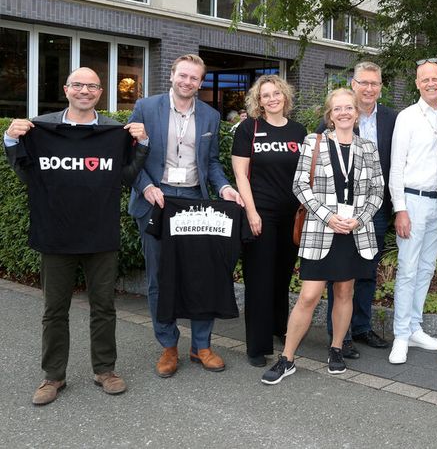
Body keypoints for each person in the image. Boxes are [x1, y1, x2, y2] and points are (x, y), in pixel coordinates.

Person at [3, 67, 149, 405]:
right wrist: (11, 138)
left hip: (100, 233)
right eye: (78, 85)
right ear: (66, 89)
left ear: (100, 93)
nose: (85, 91)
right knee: (54, 309)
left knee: (104, 306)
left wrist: (143, 143)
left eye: (92, 86)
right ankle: (53, 376)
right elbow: (26, 174)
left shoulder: (113, 131)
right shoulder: (42, 128)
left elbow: (126, 176)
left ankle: (105, 370)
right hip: (55, 234)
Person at [128, 54, 243, 378]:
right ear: (172, 75)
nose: (187, 82)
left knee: (202, 276)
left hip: (194, 200)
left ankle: (201, 346)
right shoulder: (146, 108)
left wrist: (224, 189)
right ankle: (168, 345)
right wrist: (146, 186)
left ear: (200, 82)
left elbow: (212, 164)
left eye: (194, 78)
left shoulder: (209, 115)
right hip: (157, 199)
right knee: (159, 278)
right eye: (183, 76)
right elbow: (130, 157)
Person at [261, 88, 384, 384]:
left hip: (354, 232)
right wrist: (329, 217)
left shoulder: (368, 147)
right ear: (329, 115)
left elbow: (378, 191)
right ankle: (287, 358)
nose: (343, 113)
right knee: (309, 295)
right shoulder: (313, 143)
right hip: (321, 230)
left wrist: (359, 219)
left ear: (357, 113)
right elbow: (300, 186)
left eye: (349, 108)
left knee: (344, 293)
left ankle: (337, 349)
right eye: (337, 109)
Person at [317, 62, 397, 358]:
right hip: (337, 212)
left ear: (380, 87)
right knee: (337, 272)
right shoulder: (336, 114)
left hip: (374, 209)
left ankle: (361, 327)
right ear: (353, 84)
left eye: (374, 83)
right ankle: (340, 336)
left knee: (366, 269)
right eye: (363, 82)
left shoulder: (391, 118)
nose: (369, 88)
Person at [231, 75, 305, 367]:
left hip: (292, 214)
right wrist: (251, 212)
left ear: (285, 97)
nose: (272, 99)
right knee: (259, 279)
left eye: (277, 93)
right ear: (258, 101)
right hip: (260, 213)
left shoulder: (299, 131)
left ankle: (278, 326)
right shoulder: (249, 128)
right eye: (266, 95)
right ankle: (257, 346)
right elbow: (240, 174)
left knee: (282, 276)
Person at [387, 60, 437, 364]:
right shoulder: (407, 118)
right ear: (417, 84)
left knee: (426, 268)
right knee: (408, 269)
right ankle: (400, 335)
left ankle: (414, 327)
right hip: (413, 201)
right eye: (424, 79)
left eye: (434, 78)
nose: (430, 83)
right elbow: (396, 167)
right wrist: (400, 209)